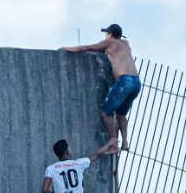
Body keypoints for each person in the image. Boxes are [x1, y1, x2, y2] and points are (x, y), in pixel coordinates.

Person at [60, 24, 141, 153]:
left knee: (106, 113)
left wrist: (66, 48)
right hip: (136, 82)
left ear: (109, 34)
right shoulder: (126, 43)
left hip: (124, 81)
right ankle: (125, 143)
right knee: (121, 114)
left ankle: (113, 144)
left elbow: (86, 48)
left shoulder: (108, 43)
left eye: (106, 33)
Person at [42, 139, 116, 193]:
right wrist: (109, 143)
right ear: (67, 151)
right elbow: (96, 154)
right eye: (69, 148)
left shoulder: (51, 168)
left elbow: (45, 190)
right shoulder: (78, 164)